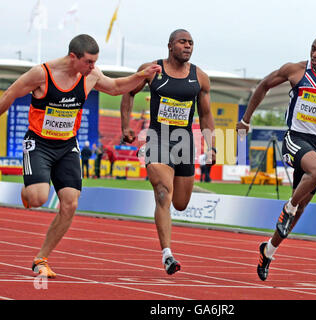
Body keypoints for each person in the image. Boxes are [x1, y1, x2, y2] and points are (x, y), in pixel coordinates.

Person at [0, 34, 161, 278]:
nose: (93, 67)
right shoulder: (41, 74)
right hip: (39, 144)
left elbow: (116, 87)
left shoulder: (91, 76)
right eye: (89, 62)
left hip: (67, 147)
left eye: (95, 62)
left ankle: (41, 258)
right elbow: (10, 95)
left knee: (71, 203)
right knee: (37, 198)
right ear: (73, 57)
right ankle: (28, 191)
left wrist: (141, 76)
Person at [236, 33, 316, 281]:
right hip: (295, 139)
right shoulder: (296, 71)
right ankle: (288, 207)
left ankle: (268, 250)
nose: (314, 54)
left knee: (299, 212)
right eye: (313, 49)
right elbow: (264, 85)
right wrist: (245, 119)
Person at [120, 29, 216, 275]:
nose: (188, 46)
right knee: (163, 191)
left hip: (184, 142)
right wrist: (126, 126)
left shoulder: (200, 77)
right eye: (182, 42)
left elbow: (205, 115)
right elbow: (128, 92)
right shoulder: (152, 70)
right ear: (170, 46)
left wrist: (212, 146)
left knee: (181, 204)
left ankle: (167, 241)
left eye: (191, 43)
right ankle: (167, 254)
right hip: (157, 138)